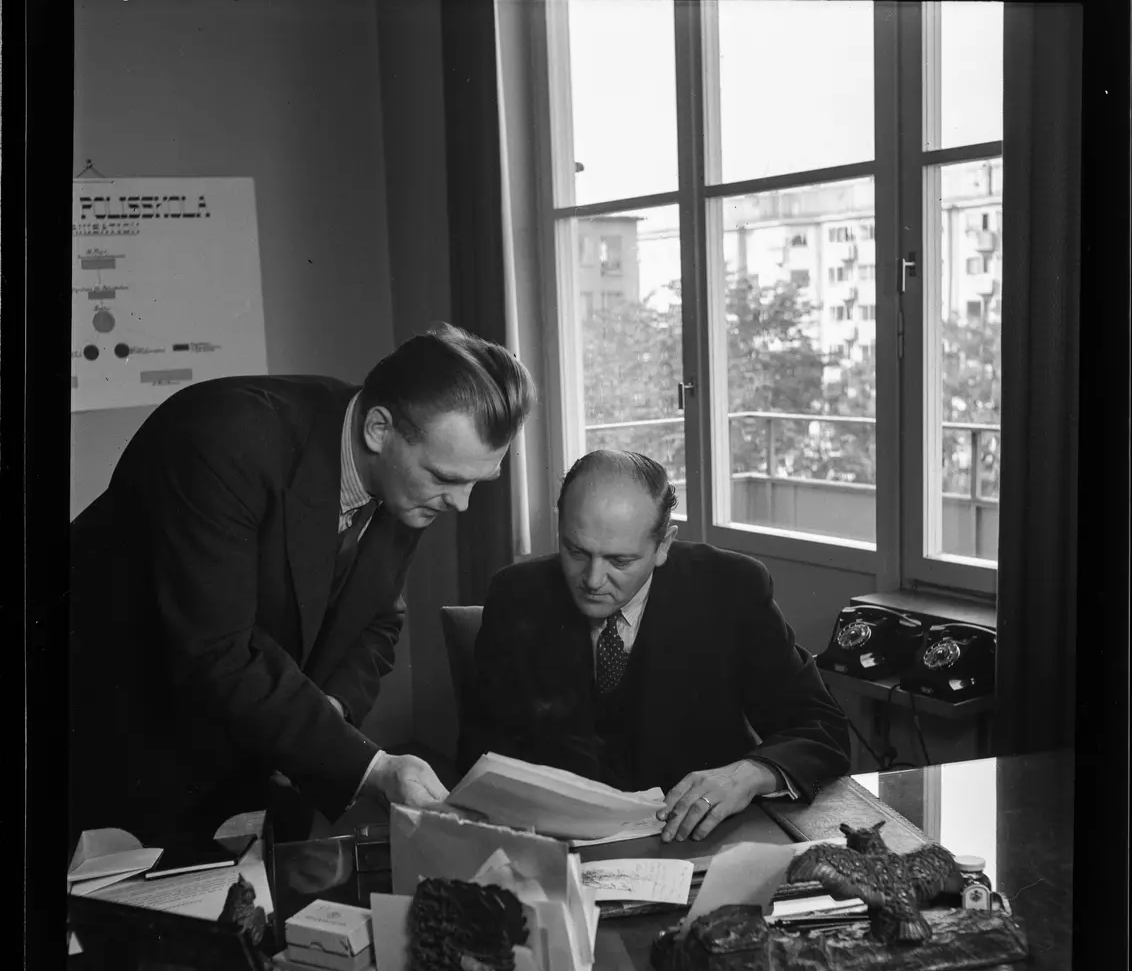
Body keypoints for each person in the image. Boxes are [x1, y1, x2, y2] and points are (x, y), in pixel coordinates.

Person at [69, 324, 536, 847]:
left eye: (476, 482)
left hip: (247, 746)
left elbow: (378, 618)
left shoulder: (408, 475)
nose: (461, 503)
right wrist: (369, 765)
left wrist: (331, 713)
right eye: (447, 478)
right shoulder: (221, 440)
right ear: (378, 429)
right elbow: (217, 652)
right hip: (111, 741)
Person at [459, 450, 850, 843]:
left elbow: (821, 727)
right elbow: (482, 755)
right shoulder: (516, 594)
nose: (592, 580)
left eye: (620, 561)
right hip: (556, 845)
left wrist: (749, 774)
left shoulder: (731, 588)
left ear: (664, 544)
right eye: (576, 551)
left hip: (698, 841)